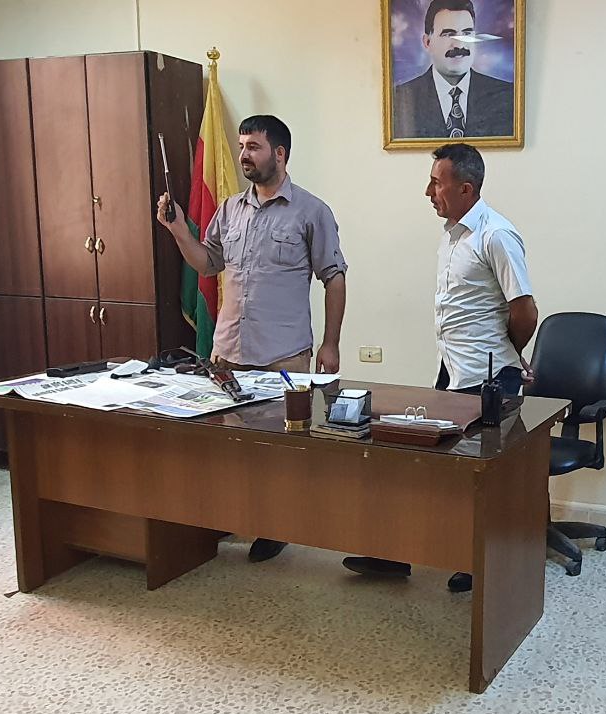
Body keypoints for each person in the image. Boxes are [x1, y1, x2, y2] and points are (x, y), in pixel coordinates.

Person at [342, 142, 537, 593]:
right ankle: (397, 553)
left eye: (436, 183)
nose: (428, 191)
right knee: (426, 463)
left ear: (466, 188)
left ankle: (476, 561)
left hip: (489, 379)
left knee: (480, 476)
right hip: (453, 371)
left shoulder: (495, 235)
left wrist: (507, 352)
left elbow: (525, 310)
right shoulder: (451, 235)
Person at [156, 114, 348, 564]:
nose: (244, 154)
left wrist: (331, 343)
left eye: (254, 146)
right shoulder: (229, 209)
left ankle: (276, 525)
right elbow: (207, 264)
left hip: (283, 354)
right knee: (230, 445)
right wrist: (178, 229)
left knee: (278, 448)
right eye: (242, 145)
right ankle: (234, 514)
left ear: (280, 154)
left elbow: (334, 278)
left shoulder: (311, 211)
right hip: (229, 351)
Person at [392, 0, 514, 139]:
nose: (459, 45)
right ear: (427, 42)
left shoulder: (506, 95)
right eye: (448, 34)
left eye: (466, 33)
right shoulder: (401, 98)